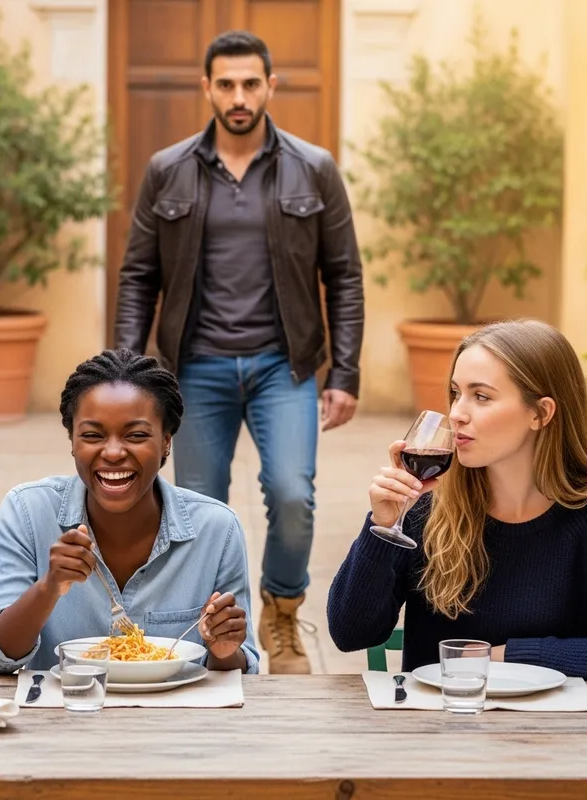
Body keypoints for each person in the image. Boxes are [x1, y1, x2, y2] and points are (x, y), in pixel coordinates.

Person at [114, 30, 364, 674]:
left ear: (270, 87)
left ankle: (280, 614)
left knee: (291, 495)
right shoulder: (168, 169)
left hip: (286, 365)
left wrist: (346, 371)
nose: (239, 96)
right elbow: (139, 274)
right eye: (226, 83)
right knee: (200, 507)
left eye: (251, 83)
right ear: (207, 89)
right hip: (194, 368)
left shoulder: (314, 167)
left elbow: (344, 275)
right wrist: (125, 373)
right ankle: (219, 631)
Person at [328, 319, 587, 682]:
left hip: (554, 731)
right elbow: (351, 634)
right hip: (434, 729)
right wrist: (383, 528)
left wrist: (507, 657)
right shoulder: (428, 506)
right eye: (456, 393)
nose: (457, 412)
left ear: (541, 413)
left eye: (481, 396)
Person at [0, 348, 259, 674]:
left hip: (175, 722)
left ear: (166, 442)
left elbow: (242, 667)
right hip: (63, 719)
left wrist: (223, 651)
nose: (112, 453)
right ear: (72, 440)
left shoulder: (217, 529)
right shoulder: (28, 511)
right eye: (92, 435)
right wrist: (48, 588)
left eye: (136, 435)